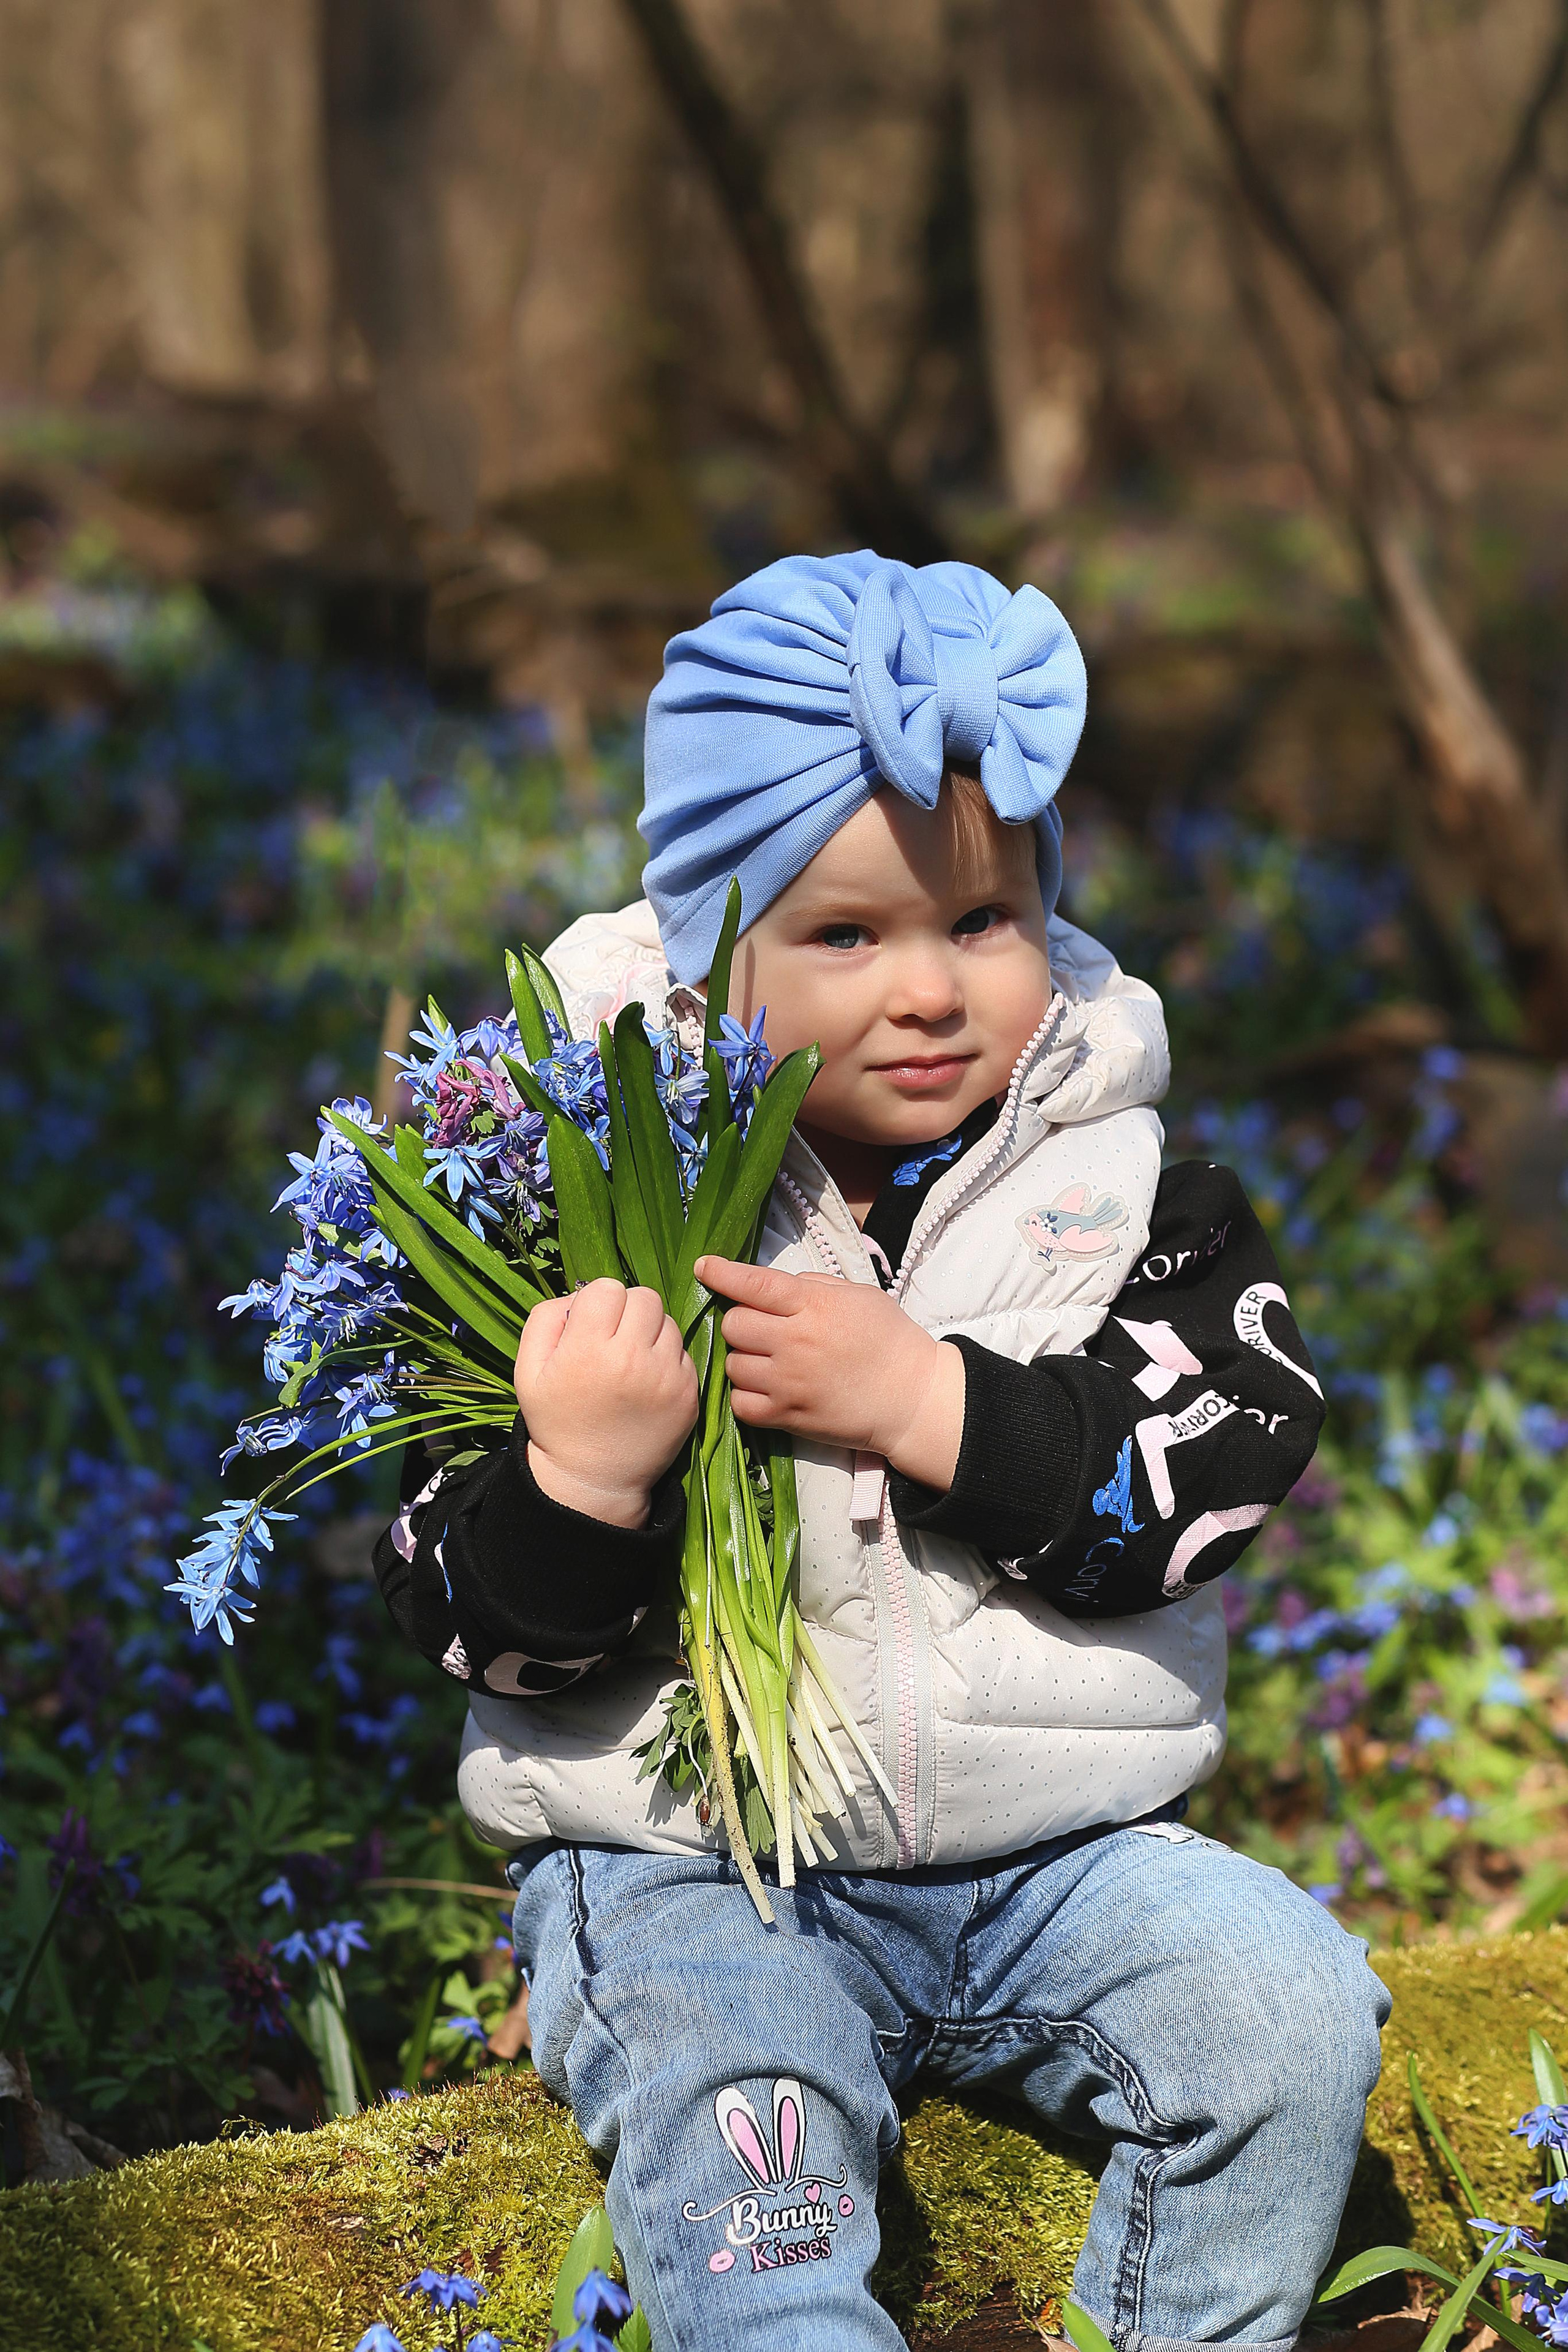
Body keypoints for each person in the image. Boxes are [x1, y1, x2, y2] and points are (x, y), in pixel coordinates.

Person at [374, 552, 1389, 2352]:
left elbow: (1220, 1467)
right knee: (742, 2133)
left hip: (1060, 1859)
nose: (929, 991)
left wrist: (936, 1407)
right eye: (846, 936)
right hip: (694, 1870)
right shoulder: (567, 1197)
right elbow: (464, 1619)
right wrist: (588, 1477)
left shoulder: (1133, 1188)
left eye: (983, 921)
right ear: (708, 947)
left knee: (1290, 2012)